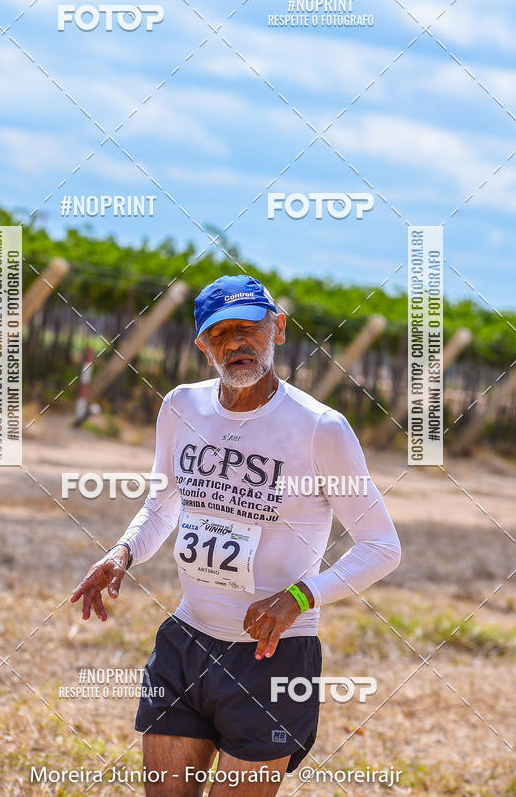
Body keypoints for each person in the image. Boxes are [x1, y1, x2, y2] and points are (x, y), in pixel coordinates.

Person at [71, 273, 401, 795]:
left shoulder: (321, 427)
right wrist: (123, 552)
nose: (237, 343)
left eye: (249, 327)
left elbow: (382, 548)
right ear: (203, 345)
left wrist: (298, 597)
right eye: (221, 333)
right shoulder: (181, 406)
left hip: (272, 658)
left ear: (279, 329)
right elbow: (161, 505)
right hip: (185, 642)